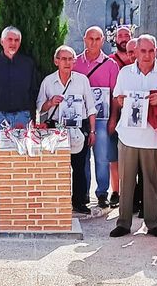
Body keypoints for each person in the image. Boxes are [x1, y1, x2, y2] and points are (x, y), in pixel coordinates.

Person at [109, 34, 157, 239]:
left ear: (156, 51)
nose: (147, 55)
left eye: (150, 50)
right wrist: (121, 101)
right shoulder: (125, 72)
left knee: (151, 181)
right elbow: (117, 98)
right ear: (135, 52)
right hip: (128, 135)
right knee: (126, 181)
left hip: (153, 136)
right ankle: (123, 223)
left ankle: (152, 224)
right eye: (143, 51)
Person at [0, 26, 38, 215]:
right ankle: (0, 200)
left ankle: (21, 197)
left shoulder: (28, 64)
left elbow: (33, 92)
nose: (13, 43)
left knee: (22, 156)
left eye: (16, 40)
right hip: (0, 117)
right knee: (2, 159)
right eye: (9, 39)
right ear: (2, 41)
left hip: (22, 116)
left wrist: (30, 118)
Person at [38, 46, 97, 214]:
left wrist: (92, 131)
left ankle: (79, 202)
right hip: (55, 128)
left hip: (79, 127)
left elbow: (90, 107)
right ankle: (58, 201)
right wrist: (50, 102)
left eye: (70, 59)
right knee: (57, 167)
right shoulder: (48, 82)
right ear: (56, 61)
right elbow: (40, 108)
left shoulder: (82, 80)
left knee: (79, 167)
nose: (67, 62)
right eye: (63, 59)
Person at [73, 26, 120, 209]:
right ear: (84, 39)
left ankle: (102, 193)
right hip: (79, 119)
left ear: (103, 40)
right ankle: (83, 193)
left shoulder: (110, 65)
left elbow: (115, 96)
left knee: (102, 157)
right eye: (90, 38)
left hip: (102, 118)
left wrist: (113, 119)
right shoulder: (75, 62)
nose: (93, 42)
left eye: (97, 39)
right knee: (81, 157)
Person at [106, 26, 134, 208]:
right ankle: (115, 190)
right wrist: (112, 118)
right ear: (115, 39)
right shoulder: (110, 61)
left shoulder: (138, 61)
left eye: (127, 35)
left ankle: (130, 193)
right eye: (120, 36)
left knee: (133, 155)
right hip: (113, 111)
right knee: (114, 155)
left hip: (135, 115)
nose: (123, 38)